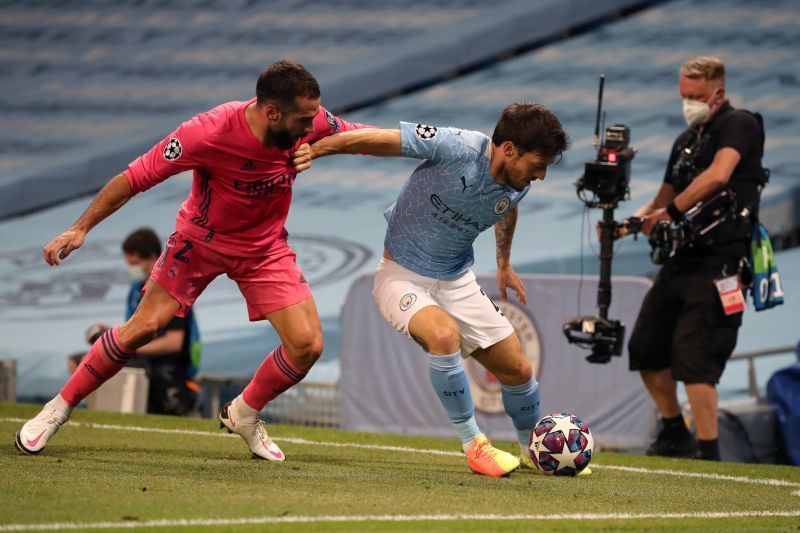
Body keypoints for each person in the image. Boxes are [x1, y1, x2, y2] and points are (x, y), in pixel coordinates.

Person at [15, 60, 368, 460]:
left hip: (263, 248)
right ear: (272, 112)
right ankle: (55, 411)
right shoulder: (207, 132)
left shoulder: (310, 120)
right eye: (304, 120)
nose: (311, 126)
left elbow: (361, 136)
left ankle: (245, 413)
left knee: (307, 345)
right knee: (142, 328)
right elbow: (135, 177)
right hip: (200, 241)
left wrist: (425, 142)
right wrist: (80, 228)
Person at [294, 103, 571, 476]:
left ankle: (534, 451)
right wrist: (318, 148)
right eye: (538, 165)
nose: (541, 176)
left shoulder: (517, 182)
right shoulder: (458, 148)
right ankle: (474, 444)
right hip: (401, 277)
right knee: (443, 335)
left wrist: (503, 263)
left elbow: (505, 207)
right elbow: (383, 139)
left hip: (457, 280)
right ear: (509, 149)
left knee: (519, 369)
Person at [622, 56, 767, 461]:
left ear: (718, 92)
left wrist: (667, 215)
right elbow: (664, 198)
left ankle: (709, 451)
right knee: (646, 348)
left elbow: (719, 176)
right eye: (684, 95)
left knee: (696, 360)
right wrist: (631, 223)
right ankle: (674, 433)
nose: (689, 102)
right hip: (679, 261)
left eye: (697, 96)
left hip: (721, 262)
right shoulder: (686, 140)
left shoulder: (741, 124)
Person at [68, 228, 202, 416]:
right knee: (76, 361)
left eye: (135, 264)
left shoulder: (170, 290)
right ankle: (90, 410)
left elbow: (174, 343)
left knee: (94, 360)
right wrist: (110, 332)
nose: (132, 270)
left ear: (154, 258)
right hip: (142, 358)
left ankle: (97, 412)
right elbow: (135, 326)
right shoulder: (137, 290)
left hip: (166, 366)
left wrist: (132, 346)